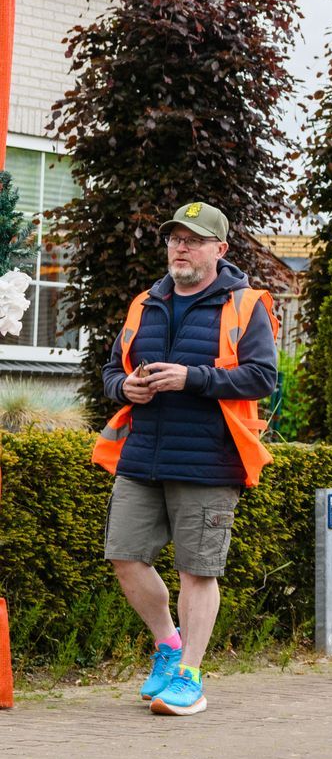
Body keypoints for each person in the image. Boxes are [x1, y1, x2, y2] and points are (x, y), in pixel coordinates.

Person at [92, 203, 279, 716]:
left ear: (219, 250)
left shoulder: (245, 305)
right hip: (143, 456)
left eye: (193, 239)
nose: (180, 247)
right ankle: (169, 647)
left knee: (197, 570)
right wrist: (124, 386)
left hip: (209, 460)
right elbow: (113, 370)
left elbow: (262, 377)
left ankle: (191, 678)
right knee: (124, 557)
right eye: (174, 238)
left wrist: (192, 378)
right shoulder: (144, 304)